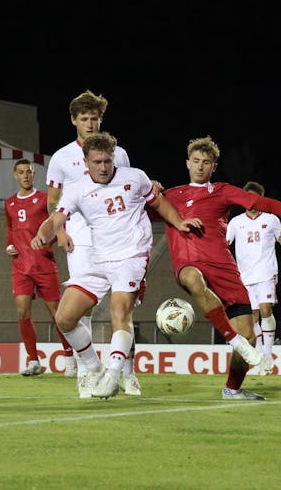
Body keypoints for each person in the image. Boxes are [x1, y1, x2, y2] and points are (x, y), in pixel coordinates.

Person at [32, 133, 200, 399]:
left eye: (107, 161)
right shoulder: (76, 188)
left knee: (119, 311)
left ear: (114, 158)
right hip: (98, 259)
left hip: (131, 255)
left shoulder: (134, 178)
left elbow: (158, 203)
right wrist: (44, 233)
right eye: (97, 162)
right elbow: (55, 219)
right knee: (64, 317)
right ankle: (93, 366)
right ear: (85, 162)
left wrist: (179, 222)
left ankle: (113, 375)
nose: (103, 167)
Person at [161, 136, 281, 400]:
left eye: (207, 162)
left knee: (249, 335)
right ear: (187, 163)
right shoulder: (170, 196)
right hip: (189, 263)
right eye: (196, 161)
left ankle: (232, 388)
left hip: (225, 269)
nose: (200, 167)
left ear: (214, 166)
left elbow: (265, 205)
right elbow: (135, 207)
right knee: (193, 278)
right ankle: (231, 339)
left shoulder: (222, 190)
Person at [46, 89, 141, 395]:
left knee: (123, 308)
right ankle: (88, 370)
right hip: (80, 242)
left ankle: (127, 373)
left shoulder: (119, 153)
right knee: (77, 310)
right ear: (73, 120)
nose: (90, 124)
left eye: (95, 118)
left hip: (118, 242)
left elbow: (131, 195)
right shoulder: (61, 157)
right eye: (84, 118)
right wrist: (61, 233)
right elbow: (53, 202)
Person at [5, 159, 77, 377]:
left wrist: (49, 241)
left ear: (34, 174)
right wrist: (9, 245)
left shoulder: (46, 200)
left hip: (44, 264)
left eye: (29, 172)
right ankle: (34, 361)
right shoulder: (9, 203)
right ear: (15, 176)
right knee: (22, 313)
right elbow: (10, 229)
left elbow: (59, 225)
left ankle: (70, 359)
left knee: (57, 315)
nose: (25, 175)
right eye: (21, 172)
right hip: (20, 267)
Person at [226, 181, 281, 376]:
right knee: (252, 317)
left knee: (265, 309)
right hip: (244, 276)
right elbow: (225, 243)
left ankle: (269, 353)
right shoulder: (236, 222)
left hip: (266, 272)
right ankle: (261, 357)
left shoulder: (271, 219)